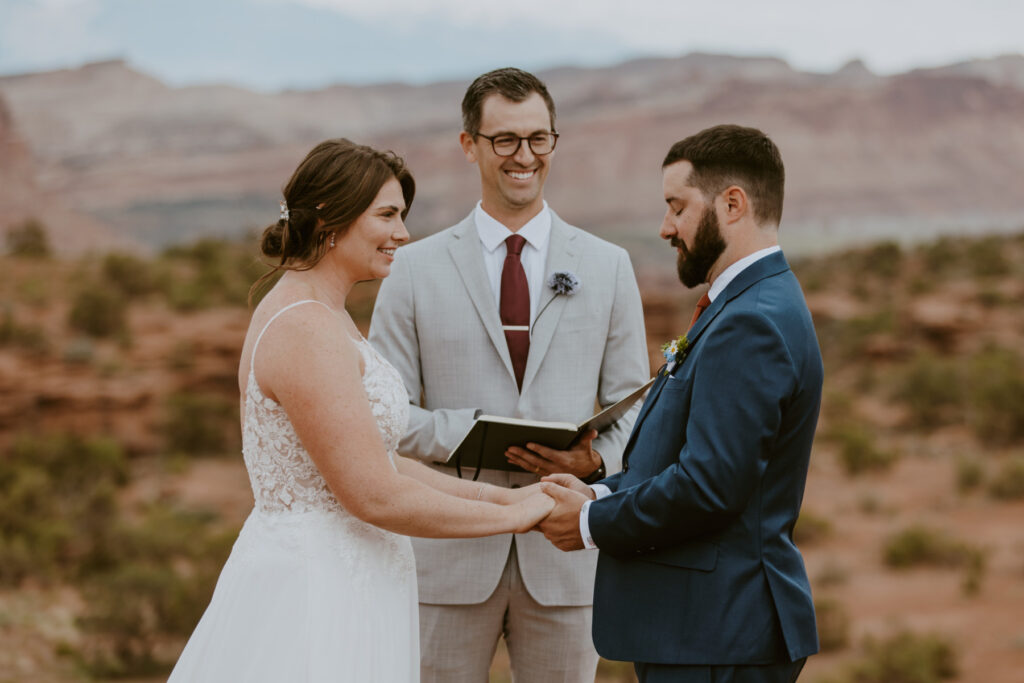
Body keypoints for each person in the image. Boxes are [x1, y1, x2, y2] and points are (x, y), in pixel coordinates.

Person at [168, 139, 553, 682]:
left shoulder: (326, 315)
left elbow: (379, 460)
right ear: (330, 217)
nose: (402, 233)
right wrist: (513, 517)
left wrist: (501, 494)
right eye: (388, 215)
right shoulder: (305, 327)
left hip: (357, 577)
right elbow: (373, 494)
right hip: (315, 592)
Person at [369, 68, 649, 682]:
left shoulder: (608, 266)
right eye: (504, 140)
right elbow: (382, 413)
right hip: (446, 555)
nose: (524, 157)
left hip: (565, 554)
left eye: (538, 139)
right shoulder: (411, 271)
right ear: (469, 145)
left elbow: (634, 410)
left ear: (554, 141)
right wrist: (468, 434)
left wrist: (594, 463)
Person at [539, 124, 824, 683]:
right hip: (706, 627)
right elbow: (683, 461)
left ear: (732, 204)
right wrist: (597, 489)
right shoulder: (743, 304)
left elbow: (709, 486)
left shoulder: (752, 321)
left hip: (720, 630)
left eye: (677, 207)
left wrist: (592, 521)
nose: (665, 227)